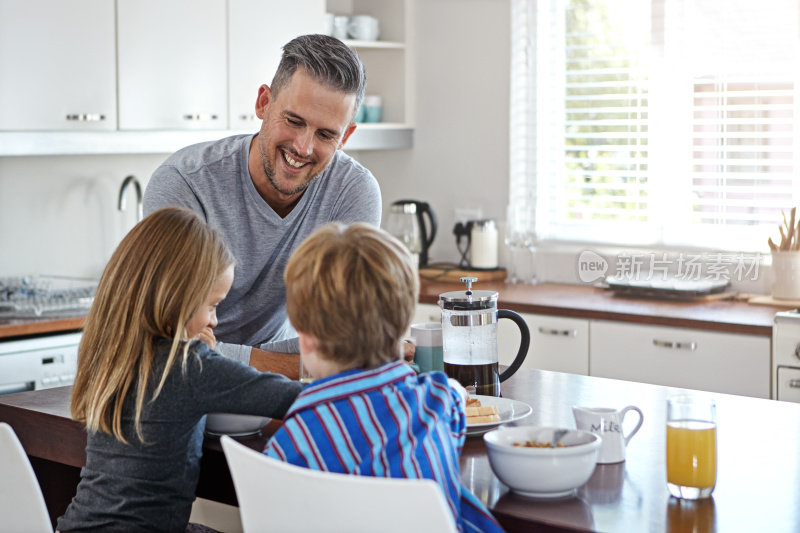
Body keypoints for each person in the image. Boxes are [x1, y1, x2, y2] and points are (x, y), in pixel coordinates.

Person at [56, 207, 303, 533]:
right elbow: (291, 397)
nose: (214, 320)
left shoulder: (110, 351)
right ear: (176, 297)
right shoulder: (190, 364)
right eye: (212, 305)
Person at [143, 34, 381, 367]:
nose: (303, 147)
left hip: (274, 391)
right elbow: (172, 345)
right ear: (263, 103)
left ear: (346, 136)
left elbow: (343, 338)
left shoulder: (352, 192)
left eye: (326, 134)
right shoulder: (184, 183)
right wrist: (298, 368)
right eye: (294, 121)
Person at [263, 222, 505, 533]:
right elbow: (457, 396)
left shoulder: (290, 444)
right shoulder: (435, 401)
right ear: (403, 323)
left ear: (305, 339)